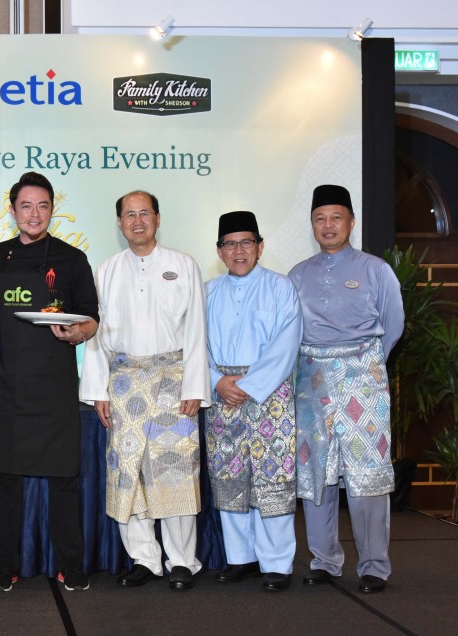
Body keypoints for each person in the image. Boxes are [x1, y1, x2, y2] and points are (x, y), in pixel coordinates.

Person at [78, 190, 210, 591]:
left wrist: (195, 385)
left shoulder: (183, 265)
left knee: (174, 470)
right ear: (119, 223)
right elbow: (96, 337)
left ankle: (182, 561)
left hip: (173, 379)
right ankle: (145, 559)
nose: (137, 221)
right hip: (123, 383)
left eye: (144, 213)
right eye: (129, 215)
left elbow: (197, 331)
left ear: (157, 218)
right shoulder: (106, 270)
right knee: (128, 471)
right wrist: (98, 388)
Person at [0, 172, 99, 592]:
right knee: (5, 482)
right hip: (8, 388)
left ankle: (70, 563)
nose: (34, 214)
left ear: (53, 209)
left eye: (43, 206)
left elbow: (89, 315)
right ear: (12, 211)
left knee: (65, 481)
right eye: (26, 206)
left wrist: (78, 332)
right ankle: (4, 564)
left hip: (56, 389)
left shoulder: (71, 259)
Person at [289, 185, 404, 594]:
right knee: (316, 475)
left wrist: (364, 365)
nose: (328, 225)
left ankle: (374, 565)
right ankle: (324, 560)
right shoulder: (298, 274)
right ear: (313, 226)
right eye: (320, 218)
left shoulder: (375, 269)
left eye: (336, 217)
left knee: (366, 476)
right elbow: (290, 333)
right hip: (311, 381)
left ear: (351, 222)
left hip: (362, 381)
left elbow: (392, 327)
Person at [204, 211, 303, 592]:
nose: (239, 250)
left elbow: (286, 343)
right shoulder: (207, 291)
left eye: (247, 242)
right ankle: (240, 558)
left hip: (270, 396)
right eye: (230, 244)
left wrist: (250, 384)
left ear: (260, 247)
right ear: (219, 251)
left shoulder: (281, 288)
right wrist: (216, 381)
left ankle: (277, 563)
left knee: (272, 477)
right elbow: (196, 345)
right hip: (223, 394)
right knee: (229, 477)